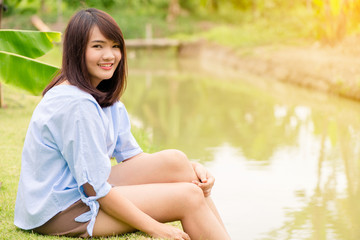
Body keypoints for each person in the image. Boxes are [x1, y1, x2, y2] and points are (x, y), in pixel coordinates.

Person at [14, 8, 231, 240]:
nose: (110, 55)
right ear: (77, 51)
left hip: (79, 189)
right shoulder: (77, 104)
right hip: (58, 210)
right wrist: (155, 228)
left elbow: (130, 156)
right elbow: (94, 189)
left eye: (115, 46)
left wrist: (191, 168)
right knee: (188, 197)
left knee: (178, 162)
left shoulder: (103, 95)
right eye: (97, 46)